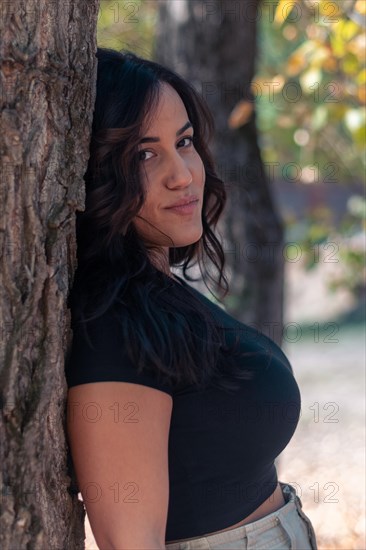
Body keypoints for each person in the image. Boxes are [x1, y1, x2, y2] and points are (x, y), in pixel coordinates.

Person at [64, 47, 318, 550]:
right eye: (143, 154)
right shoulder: (115, 330)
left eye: (183, 142)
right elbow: (132, 543)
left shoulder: (155, 298)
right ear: (95, 173)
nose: (183, 174)